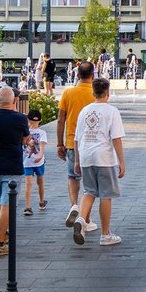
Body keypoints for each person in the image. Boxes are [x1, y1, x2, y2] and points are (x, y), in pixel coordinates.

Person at [72, 77, 125, 246]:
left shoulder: (84, 111)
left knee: (89, 191)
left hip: (86, 155)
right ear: (108, 93)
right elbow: (116, 138)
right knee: (105, 195)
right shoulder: (111, 111)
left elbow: (77, 137)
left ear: (93, 93)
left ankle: (82, 219)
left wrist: (76, 161)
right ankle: (105, 234)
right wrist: (121, 162)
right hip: (104, 158)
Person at [0, 86, 30, 257]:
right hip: (12, 165)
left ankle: (3, 234)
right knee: (6, 205)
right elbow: (24, 140)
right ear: (15, 101)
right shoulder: (20, 119)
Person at [56, 60, 96, 230]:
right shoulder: (96, 93)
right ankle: (85, 219)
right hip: (92, 143)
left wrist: (59, 144)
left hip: (72, 142)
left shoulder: (68, 93)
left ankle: (74, 205)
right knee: (90, 183)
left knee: (73, 177)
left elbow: (60, 120)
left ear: (77, 75)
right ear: (93, 76)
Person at [23, 108, 47, 216]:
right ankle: (41, 201)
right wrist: (41, 155)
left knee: (28, 184)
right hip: (39, 161)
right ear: (40, 121)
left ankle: (28, 207)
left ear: (28, 120)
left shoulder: (25, 132)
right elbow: (42, 145)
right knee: (40, 181)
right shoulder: (42, 132)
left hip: (27, 161)